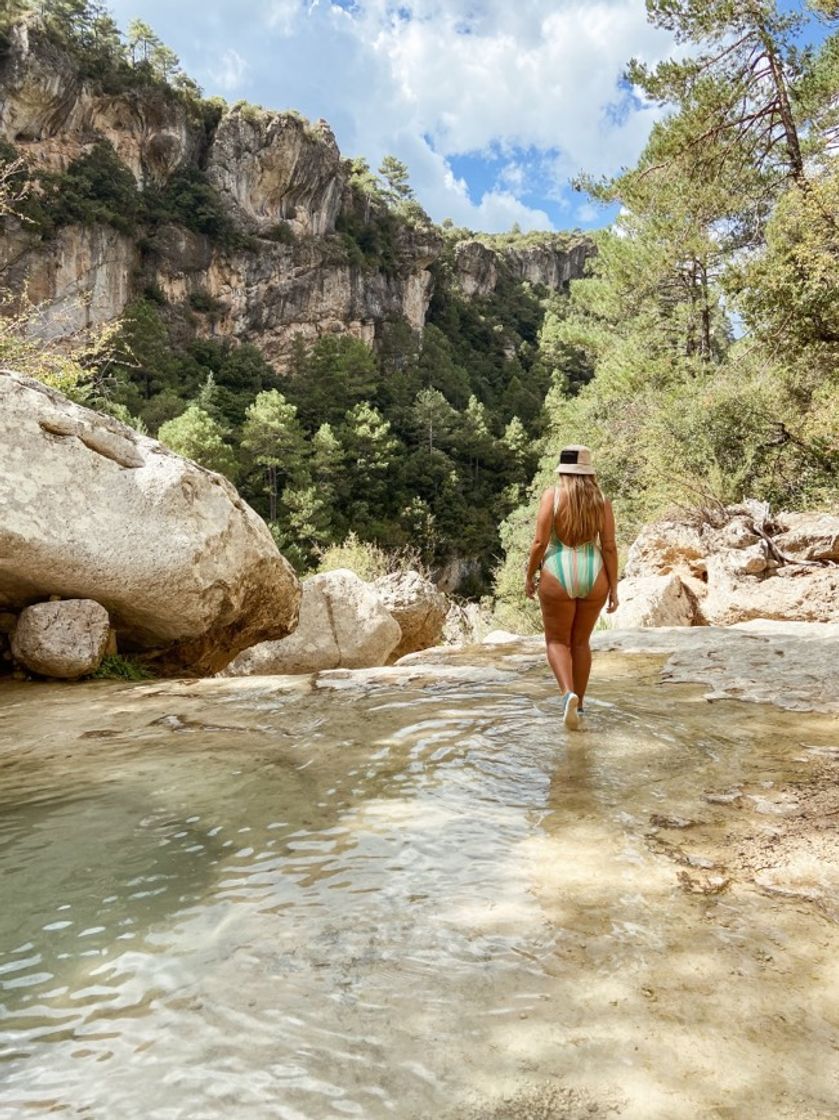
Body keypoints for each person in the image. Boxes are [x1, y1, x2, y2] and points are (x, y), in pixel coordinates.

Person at [524, 445, 618, 730]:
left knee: (556, 641)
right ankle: (582, 705)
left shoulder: (552, 497)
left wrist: (529, 576)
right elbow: (610, 547)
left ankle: (568, 695)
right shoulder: (602, 500)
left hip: (557, 569)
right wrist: (614, 587)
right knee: (580, 643)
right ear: (589, 472)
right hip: (594, 571)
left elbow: (540, 543)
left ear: (562, 471)